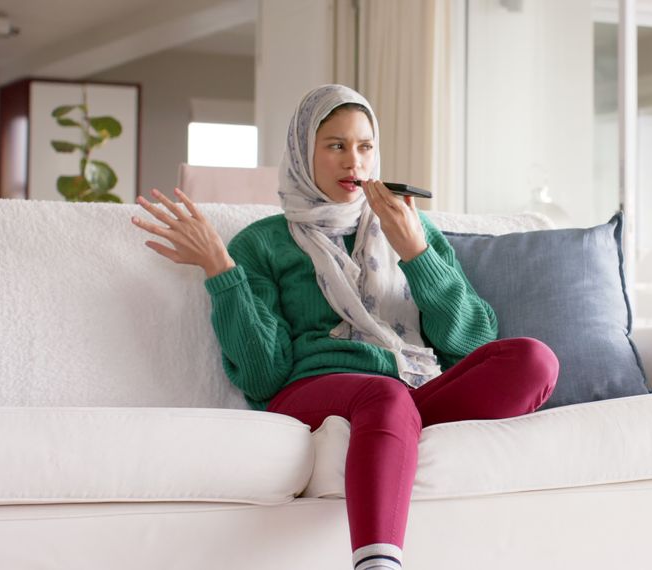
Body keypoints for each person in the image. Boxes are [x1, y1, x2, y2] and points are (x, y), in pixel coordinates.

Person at [131, 84, 559, 570]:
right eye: (335, 145)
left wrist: (417, 254)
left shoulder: (410, 227)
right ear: (302, 150)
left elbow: (474, 343)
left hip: (408, 387)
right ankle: (377, 562)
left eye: (364, 146)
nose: (353, 162)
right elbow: (262, 375)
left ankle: (396, 428)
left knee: (532, 360)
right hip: (311, 387)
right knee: (384, 396)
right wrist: (220, 271)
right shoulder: (262, 243)